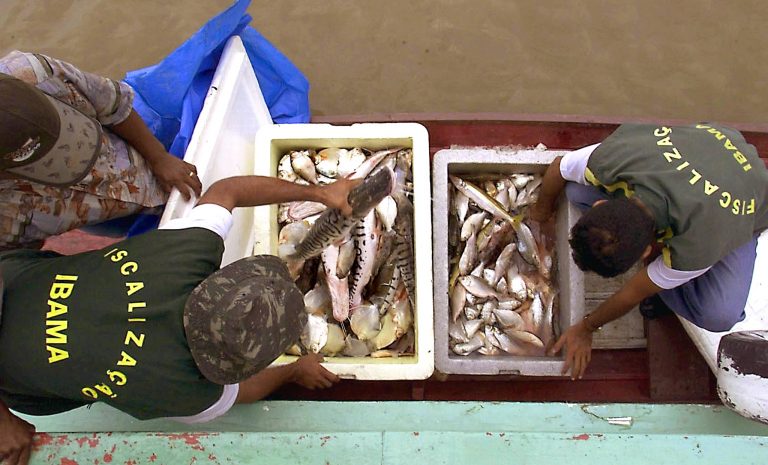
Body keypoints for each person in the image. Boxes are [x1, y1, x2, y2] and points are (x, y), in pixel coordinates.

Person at [0, 174, 357, 465]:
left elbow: (227, 190)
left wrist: (322, 192)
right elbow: (241, 394)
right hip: (13, 382)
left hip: (12, 278)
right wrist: (293, 371)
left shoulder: (187, 254)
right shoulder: (184, 391)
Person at [531, 123, 768, 380]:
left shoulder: (697, 246)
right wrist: (540, 214)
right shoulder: (612, 158)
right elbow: (559, 167)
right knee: (575, 191)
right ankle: (660, 275)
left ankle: (667, 286)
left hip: (747, 208)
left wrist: (587, 327)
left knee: (719, 314)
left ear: (647, 252)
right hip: (708, 148)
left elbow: (632, 293)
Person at [0, 50, 202, 251]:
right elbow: (20, 259)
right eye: (48, 162)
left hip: (139, 160)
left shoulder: (32, 72)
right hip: (103, 218)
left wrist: (159, 157)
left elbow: (113, 104)